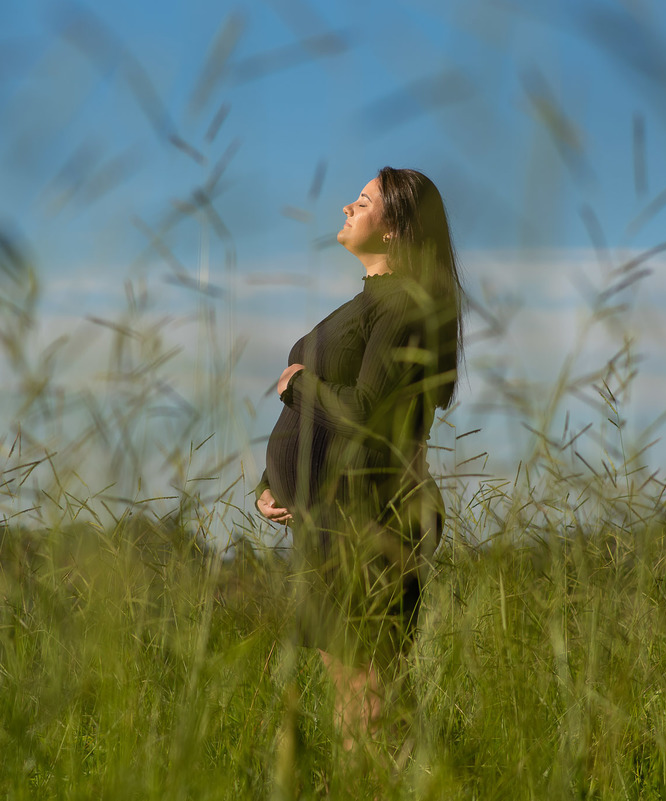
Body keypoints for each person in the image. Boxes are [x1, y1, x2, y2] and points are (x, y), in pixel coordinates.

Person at [255, 167, 463, 751]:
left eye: (364, 200)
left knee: (371, 705)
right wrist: (272, 485)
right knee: (354, 702)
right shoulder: (368, 303)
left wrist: (298, 386)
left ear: (395, 227)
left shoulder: (402, 307)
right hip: (328, 522)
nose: (348, 206)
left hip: (369, 524)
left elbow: (366, 409)